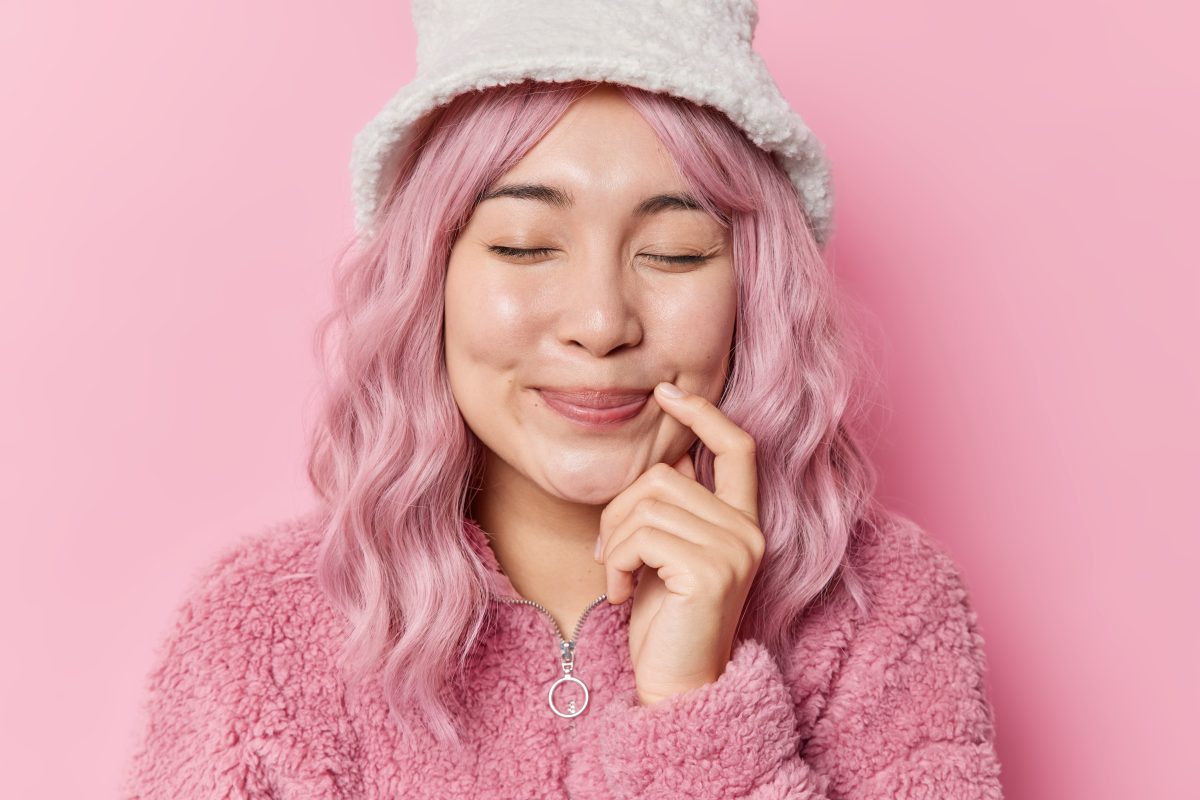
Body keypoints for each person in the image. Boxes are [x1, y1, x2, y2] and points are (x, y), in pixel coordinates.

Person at [120, 2, 1004, 798]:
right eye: (525, 245)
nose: (600, 322)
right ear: (431, 279)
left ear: (753, 293)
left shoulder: (879, 608)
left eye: (675, 252)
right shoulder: (257, 635)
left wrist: (693, 711)